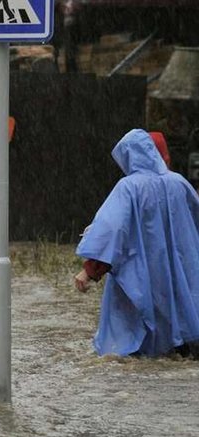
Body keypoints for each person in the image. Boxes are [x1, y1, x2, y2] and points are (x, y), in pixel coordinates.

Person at [74, 129, 199, 357]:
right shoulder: (179, 183)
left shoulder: (129, 187)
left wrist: (90, 271)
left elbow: (112, 230)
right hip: (179, 272)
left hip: (142, 273)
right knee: (179, 332)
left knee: (134, 341)